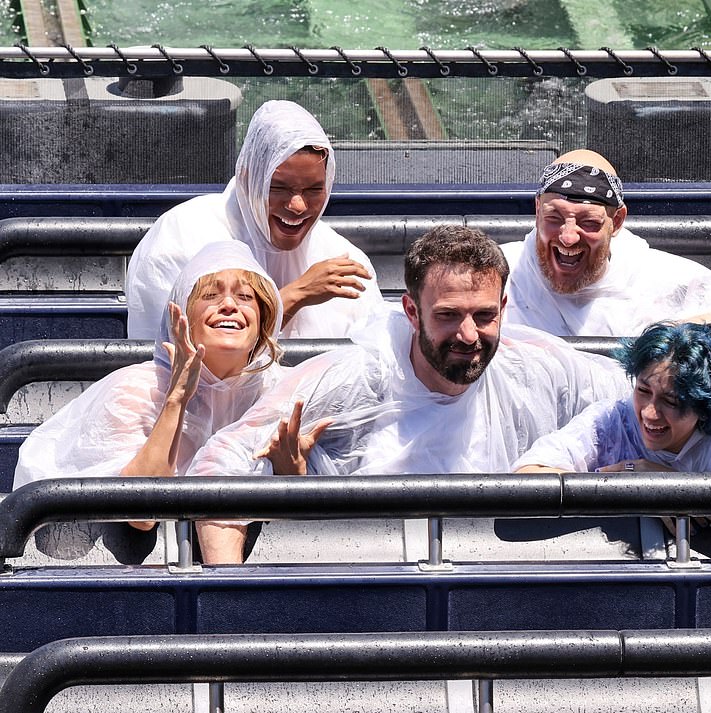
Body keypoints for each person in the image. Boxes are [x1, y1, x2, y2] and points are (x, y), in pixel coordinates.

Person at [188, 225, 628, 563]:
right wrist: (230, 587)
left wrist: (648, 469)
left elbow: (639, 398)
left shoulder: (534, 366)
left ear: (504, 309)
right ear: (412, 311)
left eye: (484, 315)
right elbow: (219, 463)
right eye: (449, 315)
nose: (468, 334)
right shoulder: (355, 378)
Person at [14, 239, 285, 533]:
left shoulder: (282, 392)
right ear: (183, 315)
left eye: (245, 296)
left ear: (264, 319)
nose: (230, 305)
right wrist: (177, 399)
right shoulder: (134, 391)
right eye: (210, 295)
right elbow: (141, 515)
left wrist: (291, 469)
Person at [514, 321, 711, 558]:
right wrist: (632, 478)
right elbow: (528, 478)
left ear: (703, 404)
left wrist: (676, 488)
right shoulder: (611, 419)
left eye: (672, 401)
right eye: (643, 390)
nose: (649, 413)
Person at [126, 100, 382, 340]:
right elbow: (175, 357)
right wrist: (295, 295)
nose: (298, 206)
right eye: (278, 188)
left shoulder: (345, 261)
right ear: (248, 179)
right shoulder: (182, 238)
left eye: (313, 190)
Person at [501, 149, 711, 338]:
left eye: (588, 222)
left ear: (616, 222)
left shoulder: (654, 276)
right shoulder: (499, 273)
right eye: (555, 217)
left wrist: (693, 330)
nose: (568, 236)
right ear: (537, 210)